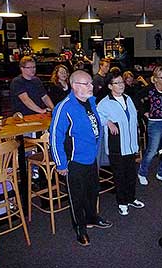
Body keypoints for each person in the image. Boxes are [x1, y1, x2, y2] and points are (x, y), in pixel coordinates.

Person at [50, 70, 112, 247]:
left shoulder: (91, 101)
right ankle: (80, 228)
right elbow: (55, 137)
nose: (92, 86)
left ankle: (92, 218)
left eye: (91, 83)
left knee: (93, 191)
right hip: (73, 162)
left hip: (91, 158)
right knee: (76, 197)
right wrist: (61, 163)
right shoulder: (64, 107)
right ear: (75, 86)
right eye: (87, 84)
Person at [97, 70, 145, 216]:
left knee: (131, 173)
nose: (121, 85)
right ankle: (122, 202)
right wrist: (108, 122)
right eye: (117, 83)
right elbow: (97, 116)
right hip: (116, 146)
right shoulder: (105, 102)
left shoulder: (128, 98)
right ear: (110, 86)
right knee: (119, 175)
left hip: (130, 144)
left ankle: (131, 198)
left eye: (121, 82)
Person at [137, 67, 162, 186]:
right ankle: (142, 172)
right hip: (155, 123)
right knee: (152, 150)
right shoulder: (150, 89)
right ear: (155, 79)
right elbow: (136, 98)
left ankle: (161, 173)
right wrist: (144, 111)